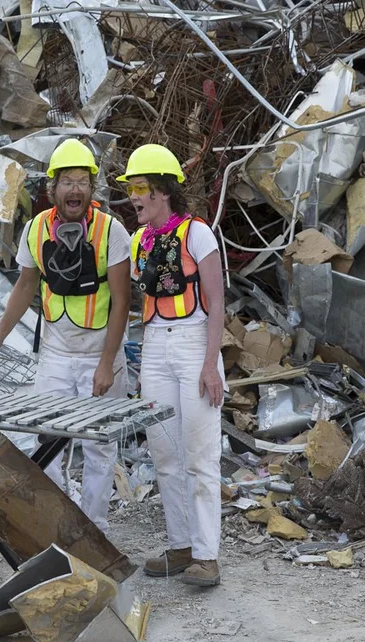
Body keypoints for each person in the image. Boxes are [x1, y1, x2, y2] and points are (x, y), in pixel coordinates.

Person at [0, 138, 132, 532]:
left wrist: (107, 364)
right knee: (47, 440)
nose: (75, 190)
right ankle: (59, 525)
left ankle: (93, 530)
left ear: (91, 189)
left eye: (83, 182)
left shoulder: (110, 231)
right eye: (67, 182)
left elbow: (122, 302)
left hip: (100, 354)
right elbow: (25, 285)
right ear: (53, 188)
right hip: (56, 354)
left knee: (98, 445)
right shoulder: (36, 228)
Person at [119, 144, 226, 587]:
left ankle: (206, 555)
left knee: (200, 453)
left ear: (162, 191)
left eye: (139, 187)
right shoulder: (139, 241)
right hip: (155, 345)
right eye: (131, 188)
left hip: (194, 339)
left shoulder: (198, 234)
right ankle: (181, 545)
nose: (133, 197)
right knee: (165, 451)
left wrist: (210, 364)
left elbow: (217, 302)